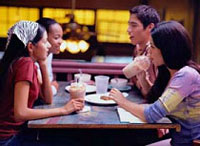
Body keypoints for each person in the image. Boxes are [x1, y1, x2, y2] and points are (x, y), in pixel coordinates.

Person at [109, 21, 200, 145]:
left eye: (152, 47)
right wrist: (141, 77)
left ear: (167, 49)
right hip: (176, 140)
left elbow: (151, 114)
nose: (149, 52)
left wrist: (122, 101)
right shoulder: (169, 71)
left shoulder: (186, 75)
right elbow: (156, 101)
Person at [0, 20, 84, 145]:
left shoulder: (27, 63)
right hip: (9, 137)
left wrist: (43, 63)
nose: (48, 46)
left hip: (17, 132)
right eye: (45, 42)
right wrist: (63, 110)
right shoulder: (25, 64)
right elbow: (21, 113)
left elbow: (47, 99)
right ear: (30, 47)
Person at [126, 5, 161, 97]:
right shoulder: (137, 49)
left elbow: (158, 95)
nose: (128, 30)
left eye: (134, 25)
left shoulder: (156, 53)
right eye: (129, 25)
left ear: (150, 27)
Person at [36, 17, 63, 95]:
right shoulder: (31, 60)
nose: (61, 42)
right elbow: (44, 92)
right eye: (56, 37)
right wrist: (53, 87)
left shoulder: (49, 54)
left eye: (61, 37)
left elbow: (49, 80)